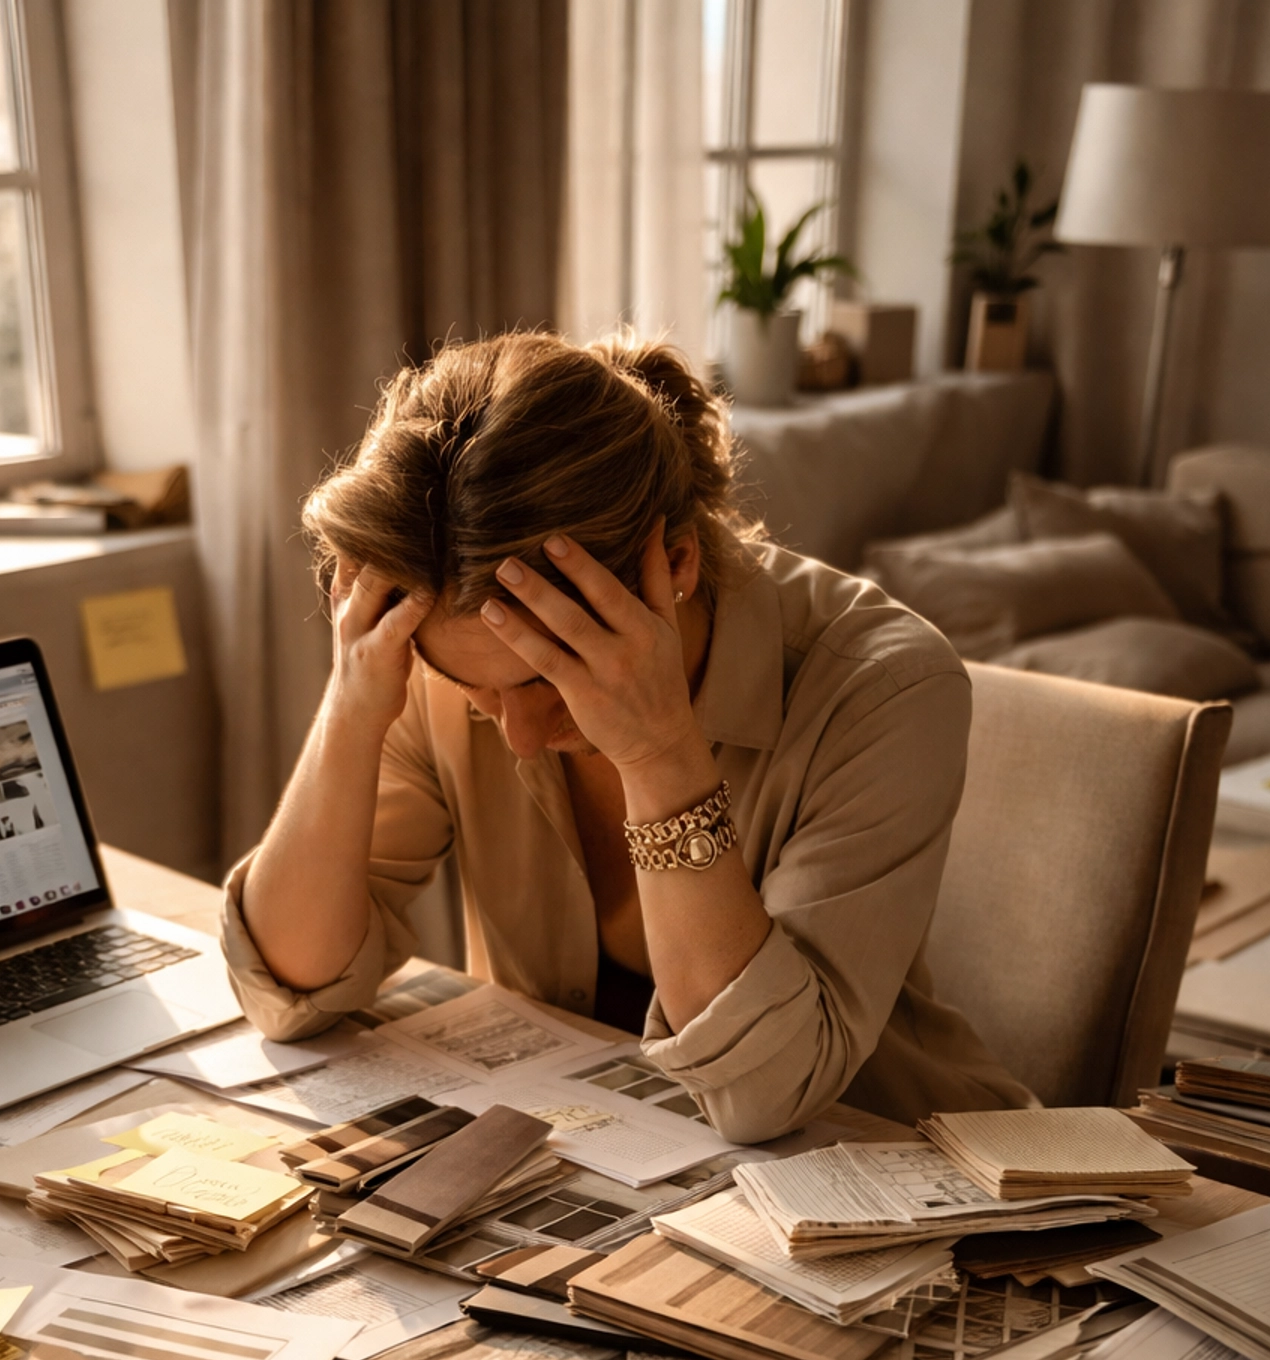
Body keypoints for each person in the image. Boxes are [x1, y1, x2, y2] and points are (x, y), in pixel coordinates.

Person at [223, 331, 1030, 1143]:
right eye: (476, 689)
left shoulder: (883, 686)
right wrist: (355, 702)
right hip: (595, 1153)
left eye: (548, 679)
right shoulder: (440, 652)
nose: (521, 737)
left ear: (674, 563)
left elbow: (764, 1097)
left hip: (877, 1163)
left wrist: (656, 754)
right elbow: (290, 989)